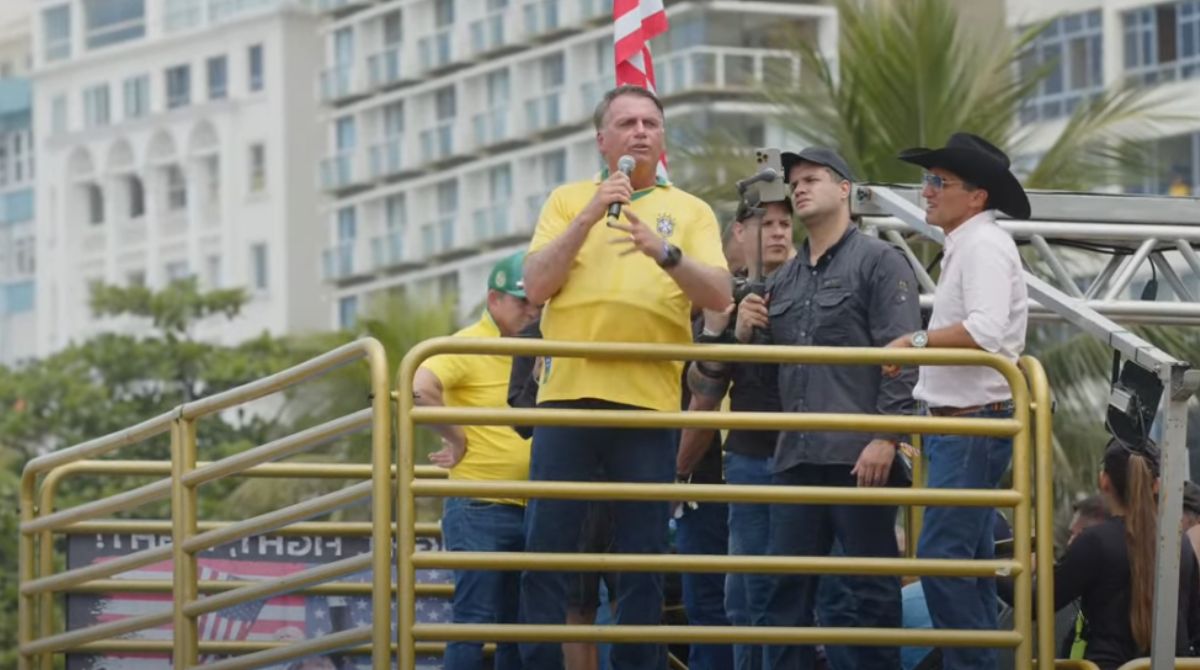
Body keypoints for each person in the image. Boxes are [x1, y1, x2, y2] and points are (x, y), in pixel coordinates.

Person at [519, 84, 732, 670]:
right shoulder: (567, 199)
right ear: (602, 140)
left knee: (641, 558)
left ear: (662, 137)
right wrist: (592, 213)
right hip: (566, 400)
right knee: (549, 551)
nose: (640, 132)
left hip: (649, 405)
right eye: (627, 123)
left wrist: (665, 252)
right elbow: (535, 286)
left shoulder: (691, 210)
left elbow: (720, 295)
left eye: (650, 123)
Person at [735, 147, 921, 669]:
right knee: (783, 597)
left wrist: (886, 436)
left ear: (845, 189)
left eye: (811, 178)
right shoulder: (783, 280)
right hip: (796, 457)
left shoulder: (880, 260)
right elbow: (765, 377)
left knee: (870, 593)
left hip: (859, 456)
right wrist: (745, 334)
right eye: (794, 181)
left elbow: (903, 351)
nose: (798, 187)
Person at [886, 132, 1030, 670]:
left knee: (945, 560)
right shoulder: (973, 244)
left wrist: (915, 341)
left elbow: (988, 329)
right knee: (961, 563)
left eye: (937, 182)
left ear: (977, 196)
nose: (926, 192)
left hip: (973, 423)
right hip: (964, 424)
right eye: (928, 180)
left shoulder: (984, 245)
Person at [682, 192, 795, 670]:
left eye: (784, 223)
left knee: (807, 597)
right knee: (742, 600)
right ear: (740, 234)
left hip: (807, 456)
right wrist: (730, 334)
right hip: (745, 456)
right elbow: (702, 382)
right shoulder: (728, 296)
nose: (777, 232)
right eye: (765, 223)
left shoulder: (816, 282)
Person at [413, 251, 540, 670]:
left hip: (537, 505)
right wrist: (458, 437)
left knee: (520, 630)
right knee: (475, 621)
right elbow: (418, 389)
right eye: (521, 301)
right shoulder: (468, 344)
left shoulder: (545, 345)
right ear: (493, 299)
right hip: (480, 505)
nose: (531, 310)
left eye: (537, 301)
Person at [1001, 439, 1200, 669]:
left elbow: (1036, 603)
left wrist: (993, 568)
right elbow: (1194, 623)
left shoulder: (1096, 542)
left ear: (1103, 481)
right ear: (1156, 485)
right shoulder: (1179, 545)